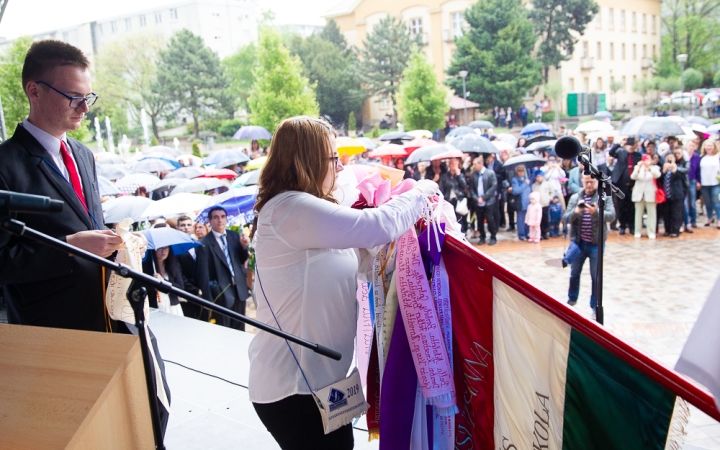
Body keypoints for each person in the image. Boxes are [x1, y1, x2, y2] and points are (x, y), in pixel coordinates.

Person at [0, 39, 171, 433]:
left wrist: (118, 241)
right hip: (56, 333)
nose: (84, 107)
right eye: (73, 97)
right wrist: (69, 250)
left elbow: (85, 223)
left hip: (115, 313)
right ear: (35, 91)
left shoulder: (82, 154)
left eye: (88, 96)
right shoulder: (6, 165)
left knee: (149, 412)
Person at [248, 116, 437, 450]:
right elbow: (374, 226)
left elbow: (362, 263)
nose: (339, 167)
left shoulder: (311, 210)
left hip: (323, 383)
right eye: (332, 159)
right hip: (294, 387)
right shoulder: (289, 208)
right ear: (305, 161)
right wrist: (419, 192)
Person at [566, 175, 616, 313]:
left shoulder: (604, 197)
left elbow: (611, 215)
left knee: (596, 276)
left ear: (597, 182)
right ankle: (572, 299)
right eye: (586, 182)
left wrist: (597, 212)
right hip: (578, 244)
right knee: (574, 273)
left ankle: (595, 305)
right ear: (582, 182)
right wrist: (576, 212)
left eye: (592, 182)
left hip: (596, 244)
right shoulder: (575, 198)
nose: (589, 185)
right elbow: (566, 219)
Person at [198, 206, 251, 329]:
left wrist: (244, 247)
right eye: (216, 217)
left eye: (222, 217)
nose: (220, 220)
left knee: (240, 327)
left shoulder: (233, 236)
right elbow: (203, 274)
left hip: (239, 289)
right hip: (221, 292)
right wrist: (207, 298)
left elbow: (241, 260)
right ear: (210, 221)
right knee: (225, 328)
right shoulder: (204, 244)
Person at [176, 215, 207, 319]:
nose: (186, 227)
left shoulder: (198, 245)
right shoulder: (175, 248)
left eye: (189, 225)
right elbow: (178, 274)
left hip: (203, 292)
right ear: (177, 227)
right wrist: (195, 291)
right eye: (182, 225)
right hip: (187, 294)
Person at [609, 137, 642, 235]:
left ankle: (631, 226)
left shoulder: (638, 155)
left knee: (631, 207)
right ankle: (622, 225)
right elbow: (611, 153)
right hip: (621, 184)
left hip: (632, 185)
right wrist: (619, 143)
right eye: (629, 145)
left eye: (633, 145)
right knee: (621, 206)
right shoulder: (621, 152)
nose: (631, 147)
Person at [468, 156, 498, 245]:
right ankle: (482, 236)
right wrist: (476, 198)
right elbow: (471, 188)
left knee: (490, 219)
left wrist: (484, 197)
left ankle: (493, 236)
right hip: (478, 202)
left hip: (489, 201)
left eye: (475, 164)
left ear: (481, 164)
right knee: (479, 220)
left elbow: (493, 186)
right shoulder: (473, 175)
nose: (473, 166)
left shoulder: (490, 173)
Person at [630, 155, 661, 239]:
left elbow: (658, 175)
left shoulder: (654, 168)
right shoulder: (637, 167)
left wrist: (650, 168)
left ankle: (651, 231)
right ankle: (637, 231)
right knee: (638, 214)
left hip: (650, 194)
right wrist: (639, 167)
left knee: (652, 214)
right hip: (639, 194)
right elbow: (633, 176)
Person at [661, 149, 688, 237]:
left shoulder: (679, 167)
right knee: (667, 213)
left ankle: (675, 230)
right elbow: (659, 179)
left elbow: (681, 176)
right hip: (666, 195)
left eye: (671, 158)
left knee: (677, 213)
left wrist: (674, 168)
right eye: (667, 158)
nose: (669, 159)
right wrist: (664, 171)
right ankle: (667, 229)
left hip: (677, 194)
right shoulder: (663, 167)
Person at [439, 157, 469, 232]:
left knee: (460, 219)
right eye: (452, 164)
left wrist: (458, 175)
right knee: (451, 218)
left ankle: (462, 233)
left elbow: (464, 185)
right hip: (448, 199)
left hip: (459, 199)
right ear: (449, 165)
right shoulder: (444, 176)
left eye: (455, 164)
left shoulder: (460, 174)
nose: (453, 165)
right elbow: (442, 189)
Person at [699, 140, 720, 227]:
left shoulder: (718, 156)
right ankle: (710, 217)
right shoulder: (702, 157)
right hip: (704, 183)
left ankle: (719, 219)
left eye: (710, 145)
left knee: (716, 201)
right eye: (707, 146)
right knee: (707, 201)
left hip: (715, 182)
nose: (708, 147)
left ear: (714, 147)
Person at [511, 165, 532, 240]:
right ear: (516, 172)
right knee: (521, 219)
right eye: (519, 170)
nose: (521, 172)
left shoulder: (527, 178)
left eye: (522, 170)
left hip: (528, 202)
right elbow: (516, 191)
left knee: (527, 219)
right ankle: (522, 234)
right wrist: (525, 184)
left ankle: (527, 233)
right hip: (521, 202)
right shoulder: (514, 180)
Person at [532, 170, 554, 239]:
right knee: (539, 220)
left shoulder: (547, 184)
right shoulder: (534, 186)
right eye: (537, 177)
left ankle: (545, 233)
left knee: (545, 219)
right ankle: (540, 234)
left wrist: (549, 198)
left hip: (545, 204)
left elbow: (552, 192)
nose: (538, 178)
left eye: (540, 176)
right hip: (538, 205)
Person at [685, 139, 701, 232]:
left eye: (692, 145)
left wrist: (698, 181)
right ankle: (686, 221)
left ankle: (693, 220)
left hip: (692, 180)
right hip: (684, 180)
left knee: (692, 202)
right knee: (685, 202)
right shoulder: (684, 155)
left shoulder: (697, 157)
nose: (691, 147)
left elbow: (698, 170)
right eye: (689, 145)